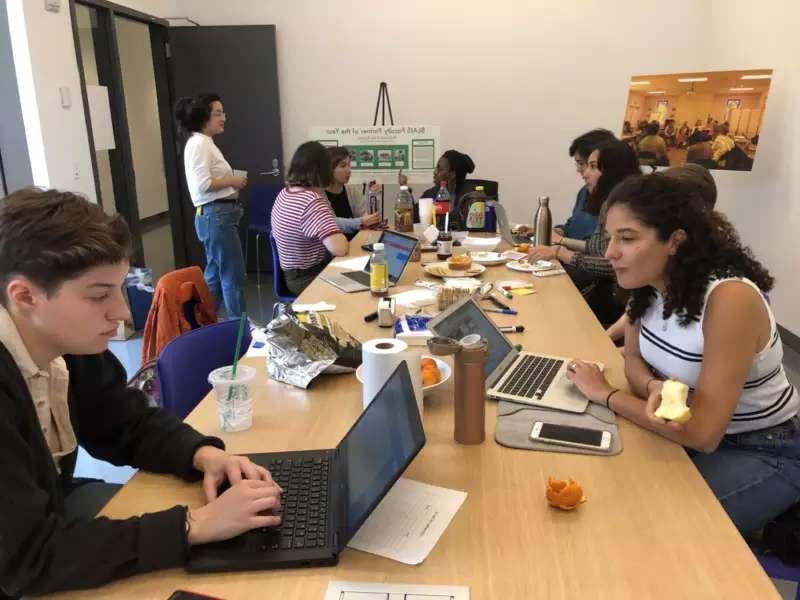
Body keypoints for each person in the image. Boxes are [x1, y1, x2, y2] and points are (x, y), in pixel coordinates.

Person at [0, 189, 282, 596]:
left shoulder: (65, 343)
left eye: (120, 289)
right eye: (98, 296)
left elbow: (125, 422)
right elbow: (26, 559)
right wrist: (193, 525)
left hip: (42, 518)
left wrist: (204, 455)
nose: (122, 313)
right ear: (24, 296)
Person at [566, 173, 800, 535]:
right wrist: (651, 386)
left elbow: (703, 433)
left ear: (675, 241)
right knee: (601, 489)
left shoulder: (729, 299)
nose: (610, 251)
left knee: (649, 529)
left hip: (762, 448)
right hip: (692, 432)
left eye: (626, 238)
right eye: (611, 236)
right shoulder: (647, 285)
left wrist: (606, 394)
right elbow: (631, 358)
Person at [604, 163, 717, 343]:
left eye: (627, 238)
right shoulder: (651, 271)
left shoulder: (722, 295)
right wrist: (604, 341)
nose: (609, 253)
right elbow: (637, 352)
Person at [175, 94, 247, 319]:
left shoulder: (203, 143)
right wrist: (233, 181)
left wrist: (231, 188)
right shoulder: (199, 143)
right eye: (217, 113)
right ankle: (239, 330)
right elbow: (203, 185)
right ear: (203, 116)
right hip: (216, 215)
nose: (223, 118)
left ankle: (203, 325)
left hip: (217, 215)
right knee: (232, 276)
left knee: (215, 275)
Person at [271, 141, 348, 296]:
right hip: (308, 278)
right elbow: (339, 248)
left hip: (292, 276)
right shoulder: (311, 201)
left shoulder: (285, 193)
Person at [517, 129, 616, 242]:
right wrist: (545, 231)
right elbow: (572, 227)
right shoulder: (584, 191)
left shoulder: (616, 202)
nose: (578, 169)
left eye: (582, 163)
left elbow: (597, 251)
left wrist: (559, 243)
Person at [323, 146, 382, 240]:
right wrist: (361, 222)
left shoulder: (352, 190)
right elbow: (330, 223)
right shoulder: (319, 195)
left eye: (349, 165)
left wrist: (373, 197)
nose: (349, 170)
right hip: (334, 248)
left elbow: (365, 217)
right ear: (329, 169)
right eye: (343, 166)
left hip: (355, 243)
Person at [417, 149, 475, 229]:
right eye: (436, 168)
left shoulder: (469, 197)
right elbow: (414, 217)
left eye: (440, 169)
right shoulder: (430, 194)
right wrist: (405, 189)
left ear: (452, 174)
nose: (435, 172)